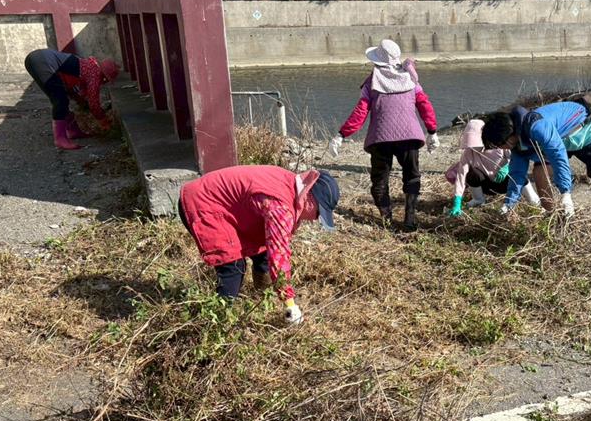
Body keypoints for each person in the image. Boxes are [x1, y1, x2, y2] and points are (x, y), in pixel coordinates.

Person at [178, 166, 341, 325]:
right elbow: (279, 257)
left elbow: (272, 246)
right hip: (201, 204)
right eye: (319, 212)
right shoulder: (280, 205)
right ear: (309, 197)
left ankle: (262, 300)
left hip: (221, 205)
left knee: (262, 253)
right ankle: (218, 323)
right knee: (233, 268)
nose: (315, 218)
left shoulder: (290, 183)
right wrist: (290, 304)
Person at [480, 102, 591, 238]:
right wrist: (509, 204)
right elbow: (516, 173)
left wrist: (566, 194)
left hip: (586, 132)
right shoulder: (516, 142)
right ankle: (552, 217)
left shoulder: (536, 127)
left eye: (499, 145)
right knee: (540, 171)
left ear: (508, 137)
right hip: (562, 138)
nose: (500, 149)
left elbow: (558, 156)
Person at [329, 39, 438, 231]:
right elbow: (424, 105)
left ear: (377, 61)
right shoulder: (410, 79)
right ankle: (409, 220)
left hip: (381, 139)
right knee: (412, 176)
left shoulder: (372, 82)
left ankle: (387, 221)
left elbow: (360, 113)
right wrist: (432, 131)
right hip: (410, 137)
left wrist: (341, 135)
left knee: (380, 180)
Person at [24, 48, 119, 150]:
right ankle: (60, 139)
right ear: (104, 76)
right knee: (60, 100)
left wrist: (81, 102)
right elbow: (94, 104)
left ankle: (73, 131)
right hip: (43, 60)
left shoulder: (87, 66)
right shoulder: (95, 73)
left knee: (59, 97)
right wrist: (103, 120)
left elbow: (75, 92)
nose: (104, 83)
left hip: (34, 59)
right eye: (106, 80)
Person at [444, 119, 540, 216]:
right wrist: (457, 202)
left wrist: (506, 167)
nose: (473, 147)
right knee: (471, 174)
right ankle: (478, 199)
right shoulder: (468, 153)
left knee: (518, 174)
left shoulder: (498, 146)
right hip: (487, 186)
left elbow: (516, 159)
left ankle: (533, 200)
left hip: (505, 183)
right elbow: (461, 177)